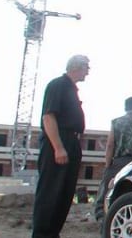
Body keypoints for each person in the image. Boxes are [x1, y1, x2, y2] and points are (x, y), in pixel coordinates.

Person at [32, 54, 90, 238]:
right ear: (77, 67)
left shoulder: (72, 90)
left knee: (64, 194)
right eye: (86, 67)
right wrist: (58, 147)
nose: (88, 72)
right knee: (51, 192)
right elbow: (48, 117)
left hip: (71, 143)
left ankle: (52, 233)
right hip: (58, 142)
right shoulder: (58, 85)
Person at [94, 96, 132, 222]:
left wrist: (108, 164)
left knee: (106, 189)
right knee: (130, 190)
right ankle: (126, 215)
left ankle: (102, 216)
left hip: (118, 162)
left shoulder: (117, 122)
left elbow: (110, 144)